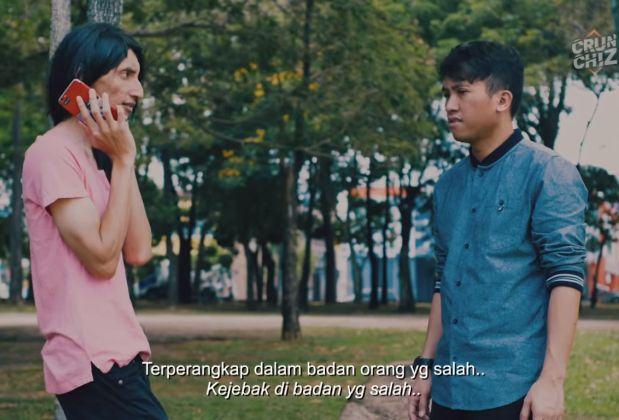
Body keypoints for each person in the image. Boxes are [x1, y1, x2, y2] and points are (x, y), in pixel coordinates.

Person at [408, 41, 586, 420]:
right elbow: (444, 279)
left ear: (502, 100)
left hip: (514, 391)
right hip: (450, 388)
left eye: (461, 92)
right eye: (446, 93)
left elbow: (566, 277)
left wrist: (552, 380)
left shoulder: (548, 173)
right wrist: (425, 363)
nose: (449, 105)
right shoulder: (447, 185)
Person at [22, 23, 167, 419]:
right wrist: (122, 160)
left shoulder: (101, 158)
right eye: (125, 74)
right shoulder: (51, 155)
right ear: (82, 76)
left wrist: (122, 160)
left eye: (138, 77)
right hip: (92, 360)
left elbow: (138, 251)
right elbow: (102, 260)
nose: (138, 91)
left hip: (121, 357)